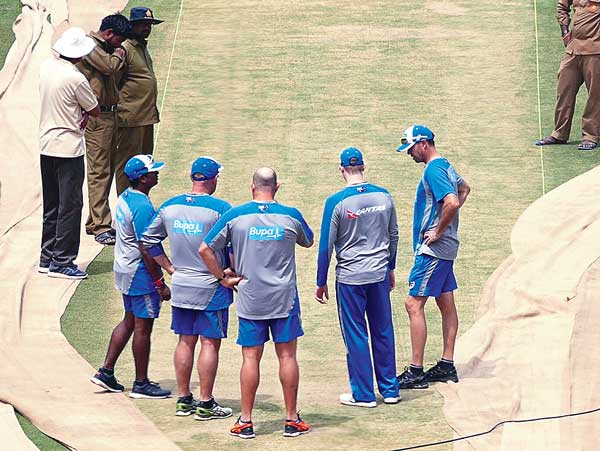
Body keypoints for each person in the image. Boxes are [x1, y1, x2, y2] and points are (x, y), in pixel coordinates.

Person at [199, 167, 313, 439]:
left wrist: (222, 278)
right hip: (284, 299)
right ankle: (291, 419)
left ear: (252, 187)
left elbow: (204, 249)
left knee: (250, 357)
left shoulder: (235, 216)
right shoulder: (291, 215)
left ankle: (246, 421)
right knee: (287, 356)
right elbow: (308, 241)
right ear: (277, 187)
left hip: (251, 298)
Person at [140, 157, 234, 420]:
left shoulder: (170, 206)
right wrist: (231, 274)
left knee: (185, 340)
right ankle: (205, 403)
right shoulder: (221, 209)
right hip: (211, 287)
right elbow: (232, 247)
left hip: (181, 285)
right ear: (213, 179)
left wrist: (170, 268)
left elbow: (148, 240)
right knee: (209, 344)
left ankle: (183, 399)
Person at [314, 147, 400, 407]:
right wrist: (390, 267)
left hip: (350, 278)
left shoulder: (336, 202)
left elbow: (326, 246)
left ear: (342, 169)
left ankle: (363, 394)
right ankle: (390, 390)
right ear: (363, 166)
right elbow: (393, 235)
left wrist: (320, 281)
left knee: (356, 334)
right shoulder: (384, 196)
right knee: (383, 330)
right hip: (379, 274)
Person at [395, 125, 470, 389]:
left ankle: (416, 371)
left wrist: (438, 230)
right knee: (445, 302)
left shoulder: (433, 170)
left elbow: (452, 201)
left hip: (434, 250)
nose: (409, 153)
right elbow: (464, 189)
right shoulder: (445, 166)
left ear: (424, 144)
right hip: (446, 249)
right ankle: (446, 365)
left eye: (411, 148)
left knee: (413, 304)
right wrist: (446, 225)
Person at [90, 154, 171, 399]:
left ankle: (106, 371)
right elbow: (147, 247)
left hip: (125, 268)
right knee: (142, 327)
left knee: (129, 320)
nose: (157, 173)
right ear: (143, 179)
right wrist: (159, 283)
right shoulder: (142, 207)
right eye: (153, 171)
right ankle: (141, 383)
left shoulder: (127, 196)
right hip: (139, 273)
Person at [38, 27, 99, 279]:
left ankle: (46, 257)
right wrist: (83, 113)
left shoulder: (46, 67)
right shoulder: (76, 78)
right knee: (71, 206)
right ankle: (62, 262)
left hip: (46, 144)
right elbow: (94, 109)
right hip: (68, 148)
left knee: (52, 204)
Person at [77, 14, 130, 245]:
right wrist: (118, 54)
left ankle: (96, 221)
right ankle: (101, 226)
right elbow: (109, 67)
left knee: (106, 169)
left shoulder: (102, 48)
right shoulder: (90, 46)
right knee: (99, 171)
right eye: (119, 39)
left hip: (109, 114)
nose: (121, 45)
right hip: (98, 117)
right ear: (108, 33)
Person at [535, 0, 600, 151]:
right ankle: (559, 133)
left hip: (596, 51)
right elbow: (562, 7)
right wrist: (565, 32)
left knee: (595, 95)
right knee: (564, 90)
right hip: (573, 49)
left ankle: (591, 136)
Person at [115, 6, 163, 195]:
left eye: (149, 24)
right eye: (142, 24)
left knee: (145, 166)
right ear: (132, 25)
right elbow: (114, 82)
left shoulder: (141, 47)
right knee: (127, 165)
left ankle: (141, 201)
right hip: (130, 119)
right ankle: (125, 202)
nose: (147, 28)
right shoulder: (125, 48)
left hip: (146, 117)